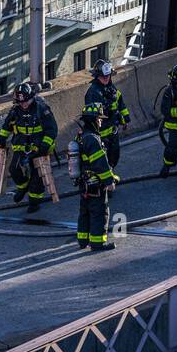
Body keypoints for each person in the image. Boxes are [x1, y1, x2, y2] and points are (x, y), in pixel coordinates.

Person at [0, 82, 59, 214]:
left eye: (26, 101)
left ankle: (34, 201)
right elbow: (6, 127)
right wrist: (2, 140)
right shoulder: (15, 110)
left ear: (31, 97)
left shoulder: (41, 109)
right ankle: (23, 186)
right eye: (21, 102)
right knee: (14, 169)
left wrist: (44, 146)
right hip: (21, 146)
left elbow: (52, 130)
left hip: (39, 147)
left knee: (37, 175)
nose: (23, 104)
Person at [72, 103, 117, 251]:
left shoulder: (81, 136)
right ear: (93, 120)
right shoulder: (92, 138)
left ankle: (83, 241)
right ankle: (98, 243)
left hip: (83, 183)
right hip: (95, 184)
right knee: (99, 212)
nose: (101, 121)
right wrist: (109, 181)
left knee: (84, 212)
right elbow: (99, 163)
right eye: (99, 118)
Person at [84, 59, 131, 168]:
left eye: (108, 76)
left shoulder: (111, 88)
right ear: (97, 76)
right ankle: (104, 183)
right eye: (103, 77)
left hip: (112, 133)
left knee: (114, 158)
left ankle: (110, 178)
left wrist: (125, 120)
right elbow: (91, 116)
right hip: (100, 136)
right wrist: (107, 106)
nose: (106, 78)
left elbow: (120, 104)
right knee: (102, 163)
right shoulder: (93, 93)